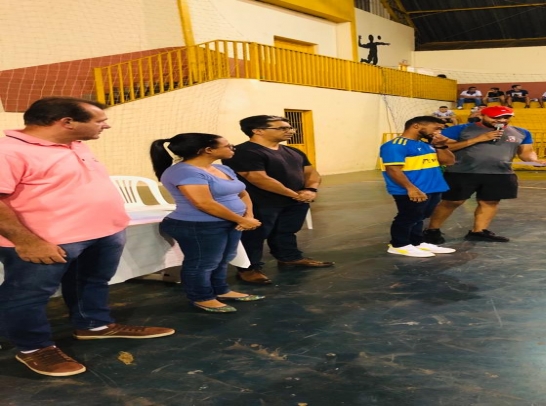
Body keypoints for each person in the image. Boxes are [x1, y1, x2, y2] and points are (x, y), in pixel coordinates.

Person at [0, 97, 174, 377]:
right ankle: (33, 348)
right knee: (26, 295)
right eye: (98, 120)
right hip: (46, 241)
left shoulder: (75, 144)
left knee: (92, 282)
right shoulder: (8, 151)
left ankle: (93, 325)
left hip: (103, 233)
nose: (106, 125)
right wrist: (27, 241)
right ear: (66, 123)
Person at [150, 133, 265, 313]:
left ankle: (221, 290)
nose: (232, 148)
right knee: (203, 263)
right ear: (208, 150)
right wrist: (241, 219)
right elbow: (204, 203)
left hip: (230, 222)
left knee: (223, 259)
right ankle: (201, 297)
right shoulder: (184, 171)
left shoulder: (223, 169)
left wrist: (248, 215)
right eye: (227, 145)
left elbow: (242, 192)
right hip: (199, 225)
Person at [223, 115, 333, 285]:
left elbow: (311, 172)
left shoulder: (294, 151)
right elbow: (258, 178)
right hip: (261, 203)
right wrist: (294, 194)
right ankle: (249, 268)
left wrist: (311, 189)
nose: (289, 131)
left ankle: (289, 257)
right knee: (254, 236)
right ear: (257, 131)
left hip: (294, 201)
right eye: (282, 128)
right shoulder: (243, 152)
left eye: (290, 128)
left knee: (286, 231)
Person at [422, 106, 546, 244]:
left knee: (490, 202)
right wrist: (478, 139)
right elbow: (439, 147)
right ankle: (432, 230)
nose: (501, 120)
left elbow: (526, 152)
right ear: (482, 116)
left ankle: (479, 231)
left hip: (500, 173)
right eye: (495, 117)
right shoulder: (461, 129)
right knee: (452, 201)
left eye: (506, 117)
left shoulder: (521, 132)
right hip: (462, 172)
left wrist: (534, 161)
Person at [379, 116, 457, 257]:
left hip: (432, 188)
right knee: (408, 216)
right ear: (416, 126)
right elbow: (393, 169)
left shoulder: (428, 145)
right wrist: (411, 188)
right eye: (436, 128)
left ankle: (417, 242)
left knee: (420, 217)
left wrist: (441, 146)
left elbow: (449, 161)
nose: (439, 132)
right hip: (412, 190)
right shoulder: (396, 145)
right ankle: (399, 244)